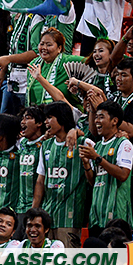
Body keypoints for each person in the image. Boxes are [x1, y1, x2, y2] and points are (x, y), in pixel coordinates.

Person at [34, 102, 85, 246]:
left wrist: (76, 131)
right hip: (48, 215)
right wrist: (34, 210)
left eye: (50, 117)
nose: (46, 122)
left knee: (67, 258)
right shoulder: (46, 146)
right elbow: (40, 180)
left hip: (70, 217)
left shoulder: (83, 142)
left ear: (62, 118)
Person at [81, 99, 133, 228]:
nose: (96, 121)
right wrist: (86, 164)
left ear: (114, 121)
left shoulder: (124, 144)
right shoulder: (97, 146)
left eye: (101, 117)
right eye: (96, 117)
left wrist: (98, 158)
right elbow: (93, 181)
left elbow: (123, 175)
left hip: (116, 213)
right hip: (97, 213)